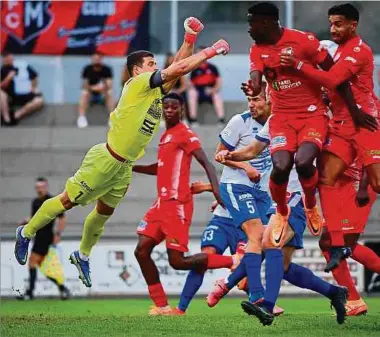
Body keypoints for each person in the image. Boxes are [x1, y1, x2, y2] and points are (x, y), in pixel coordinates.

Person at [14, 17, 230, 289]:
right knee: (67, 201)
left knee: (102, 214)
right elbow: (180, 67)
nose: (157, 67)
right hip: (106, 159)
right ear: (137, 70)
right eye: (151, 64)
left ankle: (82, 255)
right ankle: (27, 231)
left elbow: (176, 70)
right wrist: (209, 51)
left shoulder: (152, 92)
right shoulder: (136, 85)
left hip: (124, 166)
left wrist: (188, 39)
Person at [242, 2, 370, 250]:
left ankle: (311, 205)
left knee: (303, 162)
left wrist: (354, 112)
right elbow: (256, 82)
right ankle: (281, 211)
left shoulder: (304, 41)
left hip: (312, 115)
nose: (249, 29)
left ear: (266, 23)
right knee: (280, 167)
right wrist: (253, 88)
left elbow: (336, 78)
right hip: (282, 118)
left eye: (252, 23)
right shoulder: (257, 50)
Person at [212, 114, 348, 326]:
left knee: (266, 241)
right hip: (276, 198)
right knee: (283, 266)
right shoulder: (275, 119)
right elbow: (251, 150)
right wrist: (230, 155)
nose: (270, 94)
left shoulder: (314, 118)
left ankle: (264, 304)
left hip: (296, 196)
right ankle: (334, 292)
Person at [279, 3, 380, 271]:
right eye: (331, 24)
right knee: (325, 177)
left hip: (365, 123)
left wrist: (298, 64)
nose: (333, 29)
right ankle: (337, 244)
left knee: (377, 183)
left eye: (339, 24)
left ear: (352, 25)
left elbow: (334, 79)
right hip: (342, 126)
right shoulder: (341, 51)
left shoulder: (358, 50)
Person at [133, 93, 238, 315]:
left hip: (176, 205)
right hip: (160, 204)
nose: (169, 110)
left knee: (177, 262)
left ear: (182, 109)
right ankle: (161, 305)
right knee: (141, 251)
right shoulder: (166, 135)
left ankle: (232, 260)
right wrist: (132, 167)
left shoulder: (185, 134)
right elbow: (160, 167)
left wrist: (217, 192)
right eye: (166, 107)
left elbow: (207, 164)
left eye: (174, 107)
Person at [17, 177, 70, 300]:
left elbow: (62, 218)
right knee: (43, 267)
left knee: (32, 262)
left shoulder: (52, 200)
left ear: (46, 187)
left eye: (41, 187)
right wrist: (25, 221)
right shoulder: (35, 202)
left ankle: (30, 293)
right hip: (38, 236)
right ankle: (63, 289)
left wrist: (58, 234)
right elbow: (35, 218)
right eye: (37, 187)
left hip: (46, 237)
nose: (39, 189)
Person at [0, 52, 44, 126]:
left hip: (26, 94)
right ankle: (6, 119)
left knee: (39, 101)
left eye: (11, 58)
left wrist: (33, 87)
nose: (10, 60)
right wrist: (8, 78)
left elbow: (34, 76)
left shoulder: (23, 66)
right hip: (11, 96)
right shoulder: (3, 70)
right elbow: (2, 86)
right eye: (7, 59)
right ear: (3, 60)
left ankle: (15, 116)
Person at [188, 47, 225, 126]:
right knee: (192, 93)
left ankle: (221, 120)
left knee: (217, 96)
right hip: (198, 91)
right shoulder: (194, 68)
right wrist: (194, 89)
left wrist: (214, 90)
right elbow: (190, 84)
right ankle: (193, 120)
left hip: (210, 90)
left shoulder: (212, 68)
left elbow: (219, 82)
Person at [77, 52, 115, 128]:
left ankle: (112, 118)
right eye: (95, 59)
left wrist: (102, 88)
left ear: (101, 59)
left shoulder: (106, 69)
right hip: (91, 92)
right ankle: (81, 117)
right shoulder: (87, 69)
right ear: (92, 59)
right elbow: (84, 85)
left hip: (102, 91)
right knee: (84, 93)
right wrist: (93, 88)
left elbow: (109, 84)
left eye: (98, 59)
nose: (96, 60)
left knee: (110, 93)